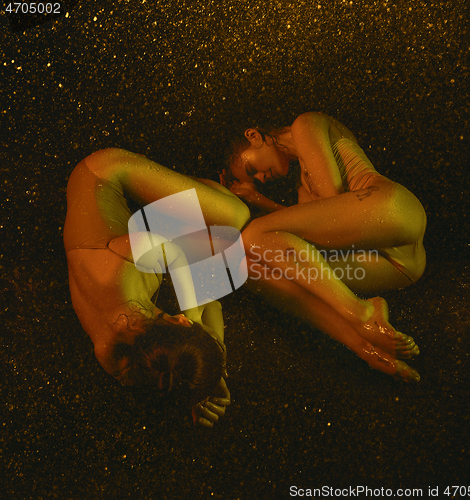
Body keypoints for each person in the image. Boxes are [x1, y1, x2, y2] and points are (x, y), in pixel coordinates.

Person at [220, 112, 426, 382]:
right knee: (252, 267)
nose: (260, 177)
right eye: (255, 178)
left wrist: (257, 202)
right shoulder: (301, 185)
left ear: (254, 136)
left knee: (251, 237)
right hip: (401, 265)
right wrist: (257, 200)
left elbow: (332, 197)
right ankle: (365, 347)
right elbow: (310, 236)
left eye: (251, 169)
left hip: (394, 211)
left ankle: (361, 311)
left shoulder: (304, 125)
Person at [64, 147, 250, 427]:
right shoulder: (117, 360)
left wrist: (197, 319)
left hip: (103, 174)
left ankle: (196, 191)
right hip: (124, 237)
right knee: (214, 234)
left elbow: (186, 252)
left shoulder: (123, 269)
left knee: (235, 218)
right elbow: (212, 302)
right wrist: (206, 377)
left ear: (181, 320)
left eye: (190, 323)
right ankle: (189, 193)